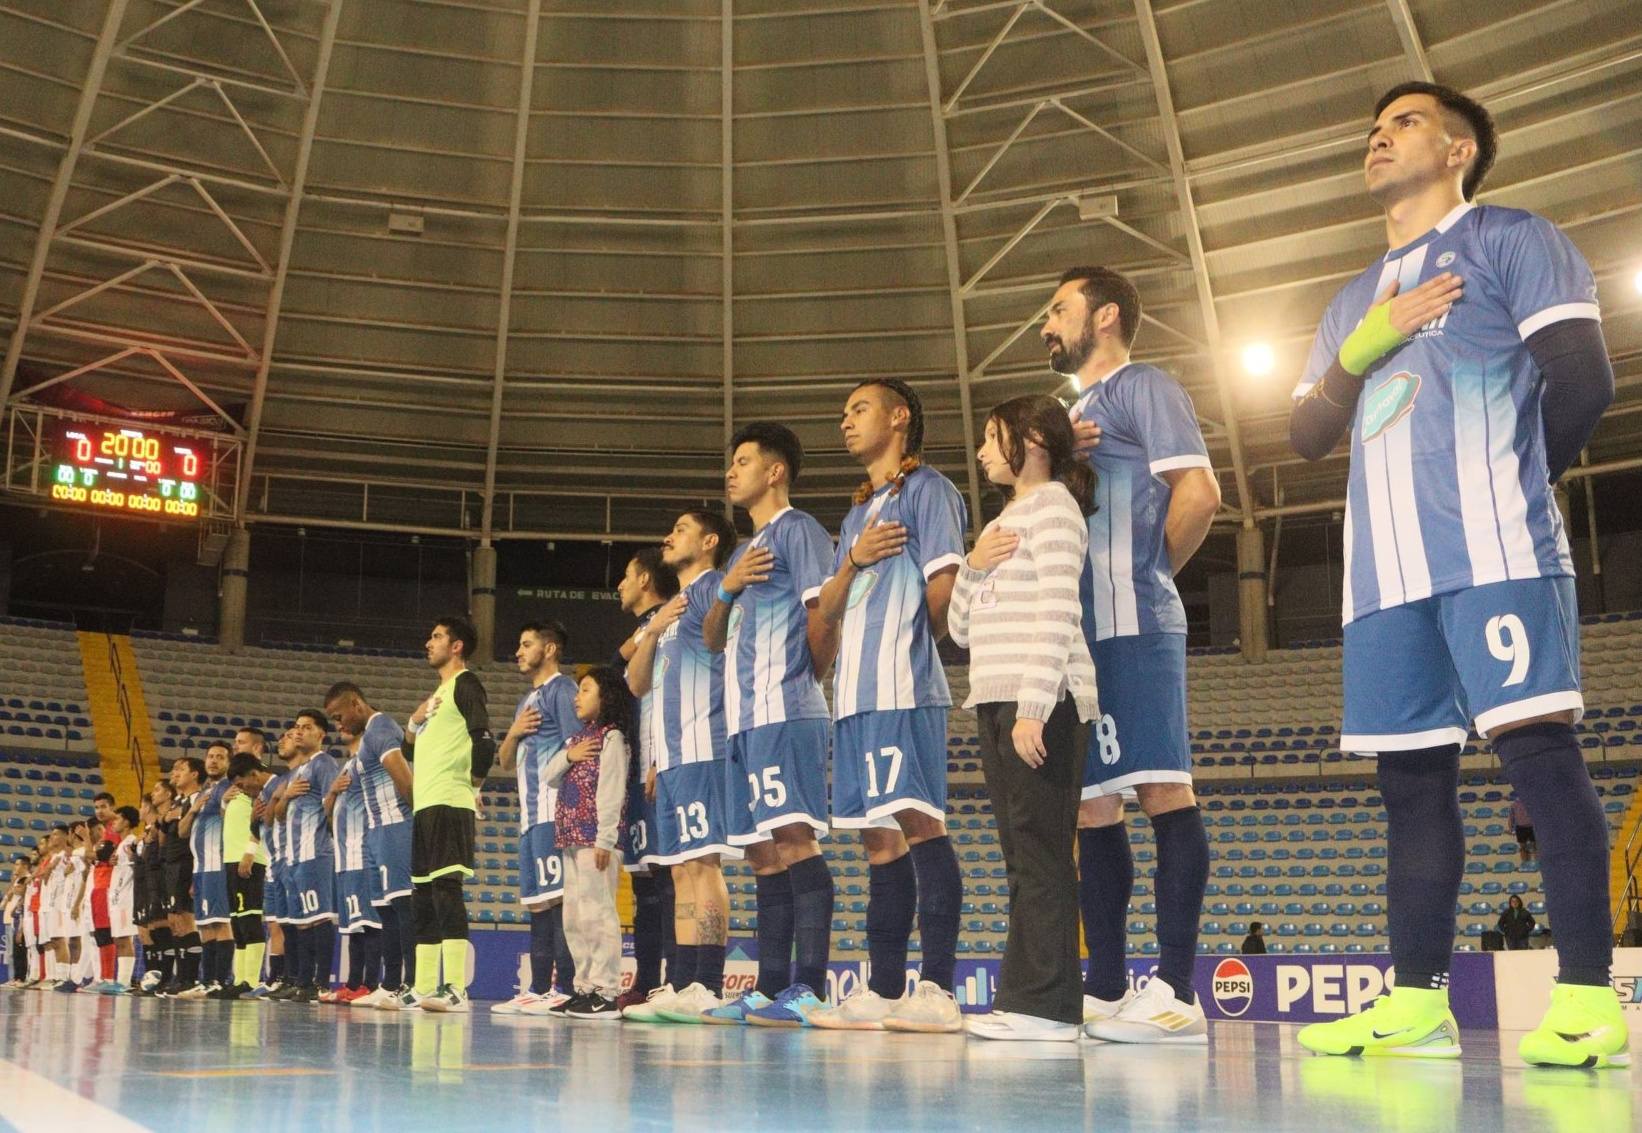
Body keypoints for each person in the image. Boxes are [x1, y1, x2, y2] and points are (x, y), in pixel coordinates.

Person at [1289, 82, 1620, 1069]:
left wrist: (1514, 485)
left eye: (1401, 123)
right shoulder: (1350, 298)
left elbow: (1584, 375)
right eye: (1371, 126)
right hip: (1383, 578)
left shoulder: (1511, 239)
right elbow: (1307, 430)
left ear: (1461, 147)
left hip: (1493, 551)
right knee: (1409, 785)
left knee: (1539, 757)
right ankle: (1413, 1001)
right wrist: (1359, 349)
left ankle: (1587, 1001)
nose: (1376, 137)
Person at [1044, 264, 1220, 1043]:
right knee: (1092, 805)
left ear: (1104, 315)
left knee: (1161, 792)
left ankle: (1178, 988)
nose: (1046, 325)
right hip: (1080, 641)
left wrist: (1146, 576)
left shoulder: (1143, 384)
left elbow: (1200, 490)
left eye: (1058, 309)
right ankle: (1108, 986)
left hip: (1136, 624)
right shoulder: (1065, 418)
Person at [808, 378, 968, 1034]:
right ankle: (883, 986)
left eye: (859, 408)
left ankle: (936, 987)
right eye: (843, 410)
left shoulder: (930, 490)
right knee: (878, 839)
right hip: (853, 696)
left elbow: (946, 586)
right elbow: (831, 608)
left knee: (920, 822)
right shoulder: (855, 514)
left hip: (903, 689)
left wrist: (905, 649)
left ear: (898, 417)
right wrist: (850, 560)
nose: (845, 420)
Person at [951, 395, 1100, 1043]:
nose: (983, 451)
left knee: (1040, 854)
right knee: (1021, 856)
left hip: (1040, 703)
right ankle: (1032, 998)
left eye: (993, 436)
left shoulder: (1056, 508)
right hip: (992, 698)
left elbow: (1059, 609)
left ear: (1033, 439)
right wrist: (971, 564)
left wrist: (1034, 708)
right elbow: (960, 626)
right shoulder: (1003, 522)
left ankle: (1048, 1007)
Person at [702, 422, 837, 1027]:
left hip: (785, 710)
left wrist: (808, 677)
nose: (732, 471)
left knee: (794, 842)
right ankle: (770, 986)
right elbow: (712, 639)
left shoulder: (801, 531)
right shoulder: (738, 555)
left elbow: (823, 610)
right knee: (763, 857)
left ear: (775, 471)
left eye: (744, 460)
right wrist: (726, 590)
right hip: (745, 723)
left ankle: (808, 988)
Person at [624, 511, 741, 1022]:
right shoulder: (672, 607)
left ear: (710, 541)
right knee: (679, 871)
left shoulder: (718, 586)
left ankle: (708, 985)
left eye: (681, 528)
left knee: (703, 863)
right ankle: (683, 981)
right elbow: (635, 684)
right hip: (670, 755)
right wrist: (653, 631)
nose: (667, 536)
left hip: (704, 744)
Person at [404, 616, 495, 1013]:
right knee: (422, 896)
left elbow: (485, 740)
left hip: (449, 801)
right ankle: (423, 987)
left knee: (445, 889)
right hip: (425, 805)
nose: (429, 642)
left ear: (456, 646)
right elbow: (409, 752)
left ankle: (456, 988)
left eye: (437, 636)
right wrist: (413, 720)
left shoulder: (466, 685)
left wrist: (473, 787)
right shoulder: (437, 697)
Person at [493, 622, 580, 1015]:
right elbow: (504, 760)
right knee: (538, 903)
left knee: (558, 899)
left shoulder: (562, 690)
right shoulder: (525, 702)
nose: (518, 651)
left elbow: (578, 746)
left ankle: (566, 987)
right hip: (528, 816)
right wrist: (512, 732)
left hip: (552, 809)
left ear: (549, 649)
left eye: (526, 644)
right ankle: (540, 986)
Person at [544, 666, 636, 1020]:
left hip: (595, 839)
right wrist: (570, 756)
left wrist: (605, 838)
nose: (576, 697)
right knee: (575, 916)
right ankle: (584, 987)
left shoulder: (611, 738)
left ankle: (606, 989)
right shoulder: (580, 740)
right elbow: (549, 776)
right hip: (570, 839)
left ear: (605, 697)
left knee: (598, 913)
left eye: (585, 690)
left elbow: (611, 790)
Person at [612, 547, 680, 1012]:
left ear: (644, 581)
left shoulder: (666, 620)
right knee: (643, 880)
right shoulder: (644, 629)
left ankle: (676, 979)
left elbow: (665, 693)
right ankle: (648, 977)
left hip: (658, 761)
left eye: (626, 576)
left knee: (668, 876)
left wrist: (659, 756)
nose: (619, 584)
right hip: (637, 770)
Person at [324, 683, 416, 1009]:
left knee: (404, 908)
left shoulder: (381, 729)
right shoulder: (367, 740)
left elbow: (405, 780)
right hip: (376, 833)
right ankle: (390, 984)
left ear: (356, 703)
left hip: (396, 828)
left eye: (339, 717)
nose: (339, 725)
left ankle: (412, 984)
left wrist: (416, 824)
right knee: (387, 911)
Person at [270, 710, 340, 1004]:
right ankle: (302, 980)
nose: (298, 732)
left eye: (306, 728)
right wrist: (285, 797)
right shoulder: (296, 772)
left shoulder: (324, 763)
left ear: (321, 734)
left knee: (318, 918)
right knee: (300, 921)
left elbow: (333, 804)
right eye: (297, 727)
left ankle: (319, 982)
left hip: (316, 853)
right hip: (295, 856)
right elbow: (281, 817)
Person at [323, 730, 382, 1005]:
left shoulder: (370, 763)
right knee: (353, 926)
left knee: (369, 924)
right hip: (344, 859)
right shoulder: (346, 767)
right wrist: (332, 792)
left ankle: (371, 984)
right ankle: (353, 982)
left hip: (363, 854)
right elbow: (328, 816)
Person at [178, 741, 235, 998]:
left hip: (217, 865)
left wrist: (223, 806)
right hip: (200, 868)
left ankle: (220, 980)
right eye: (210, 756)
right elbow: (182, 832)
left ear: (228, 763)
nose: (213, 761)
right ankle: (207, 978)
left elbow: (233, 824)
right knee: (204, 926)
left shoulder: (230, 788)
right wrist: (193, 810)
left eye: (220, 757)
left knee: (220, 923)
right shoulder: (202, 793)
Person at [221, 752, 270, 998]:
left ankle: (251, 980)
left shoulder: (259, 792)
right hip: (231, 860)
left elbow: (258, 825)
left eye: (241, 783)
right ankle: (239, 979)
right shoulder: (236, 795)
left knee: (250, 919)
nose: (239, 787)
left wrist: (250, 853)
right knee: (238, 923)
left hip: (249, 861)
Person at [159, 758, 206, 997]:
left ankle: (190, 977)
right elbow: (163, 835)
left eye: (181, 769)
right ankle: (181, 976)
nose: (175, 773)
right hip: (171, 866)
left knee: (186, 922)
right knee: (174, 924)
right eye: (174, 768)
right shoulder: (176, 802)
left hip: (187, 864)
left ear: (195, 774)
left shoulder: (200, 799)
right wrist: (164, 819)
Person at [1509, 797, 1537, 864]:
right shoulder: (1514, 805)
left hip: (1532, 827)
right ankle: (1524, 862)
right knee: (1523, 847)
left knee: (1535, 846)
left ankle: (1537, 863)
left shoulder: (1532, 803)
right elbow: (1511, 818)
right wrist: (1511, 828)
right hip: (1520, 828)